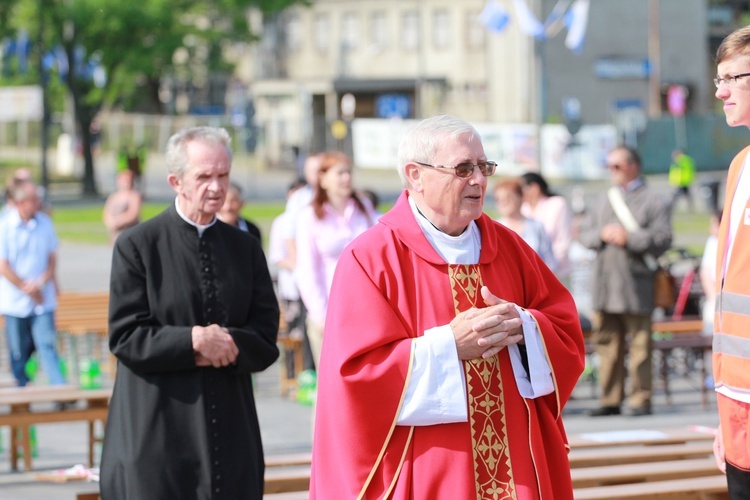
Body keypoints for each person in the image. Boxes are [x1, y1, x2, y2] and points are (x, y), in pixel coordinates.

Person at [310, 115, 585, 499]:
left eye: (483, 167)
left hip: (515, 468)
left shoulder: (511, 249)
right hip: (432, 470)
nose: (479, 180)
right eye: (462, 168)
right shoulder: (371, 259)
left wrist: (525, 327)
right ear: (415, 175)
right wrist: (448, 345)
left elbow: (565, 329)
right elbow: (355, 377)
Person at [100, 126, 280, 499]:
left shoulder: (245, 248)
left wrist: (225, 343)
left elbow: (264, 337)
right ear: (176, 181)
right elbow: (126, 336)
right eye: (204, 176)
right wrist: (194, 340)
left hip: (231, 428)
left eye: (223, 175)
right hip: (157, 429)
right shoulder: (138, 246)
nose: (216, 187)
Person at [579, 145, 672, 417]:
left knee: (641, 346)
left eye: (616, 166)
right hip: (605, 285)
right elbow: (584, 234)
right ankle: (610, 399)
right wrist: (602, 234)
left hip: (636, 284)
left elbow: (664, 238)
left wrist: (630, 238)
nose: (612, 172)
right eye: (609, 166)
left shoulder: (653, 199)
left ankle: (640, 399)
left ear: (633, 166)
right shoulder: (603, 198)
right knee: (607, 345)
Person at [711, 25, 750, 496]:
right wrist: (725, 417)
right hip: (737, 402)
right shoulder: (741, 165)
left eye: (731, 78)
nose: (719, 91)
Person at [295, 151, 378, 367]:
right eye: (340, 173)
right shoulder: (309, 217)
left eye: (349, 172)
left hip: (365, 309)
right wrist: (320, 315)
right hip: (329, 311)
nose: (346, 178)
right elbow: (306, 269)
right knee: (334, 382)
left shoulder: (364, 210)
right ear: (322, 179)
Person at [0, 179, 66, 386]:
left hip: (41, 297)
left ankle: (59, 389)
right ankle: (22, 391)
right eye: (33, 199)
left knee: (47, 345)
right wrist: (25, 287)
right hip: (16, 300)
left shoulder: (44, 223)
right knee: (18, 350)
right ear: (20, 202)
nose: (38, 203)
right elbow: (3, 264)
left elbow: (52, 257)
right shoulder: (6, 226)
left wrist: (41, 283)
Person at [269, 178, 315, 371]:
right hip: (292, 288)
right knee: (295, 332)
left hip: (312, 286)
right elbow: (277, 255)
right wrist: (299, 266)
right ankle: (292, 372)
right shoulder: (282, 222)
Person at [494, 178, 557, 272]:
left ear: (520, 197)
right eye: (499, 199)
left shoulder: (536, 226)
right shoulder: (493, 228)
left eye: (508, 197)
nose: (503, 202)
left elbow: (550, 261)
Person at [520, 171, 572, 279]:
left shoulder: (557, 204)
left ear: (534, 188)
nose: (519, 193)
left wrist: (550, 268)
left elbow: (563, 241)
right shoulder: (523, 208)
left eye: (521, 189)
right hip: (530, 273)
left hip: (556, 272)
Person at [102, 169, 142, 244]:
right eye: (124, 180)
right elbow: (106, 213)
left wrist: (119, 221)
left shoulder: (134, 196)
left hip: (129, 233)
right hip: (115, 234)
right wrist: (110, 222)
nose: (126, 182)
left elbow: (133, 214)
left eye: (128, 180)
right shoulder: (113, 196)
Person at [699, 209, 721, 336]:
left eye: (713, 223)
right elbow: (705, 272)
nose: (710, 228)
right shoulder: (712, 242)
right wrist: (714, 298)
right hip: (715, 296)